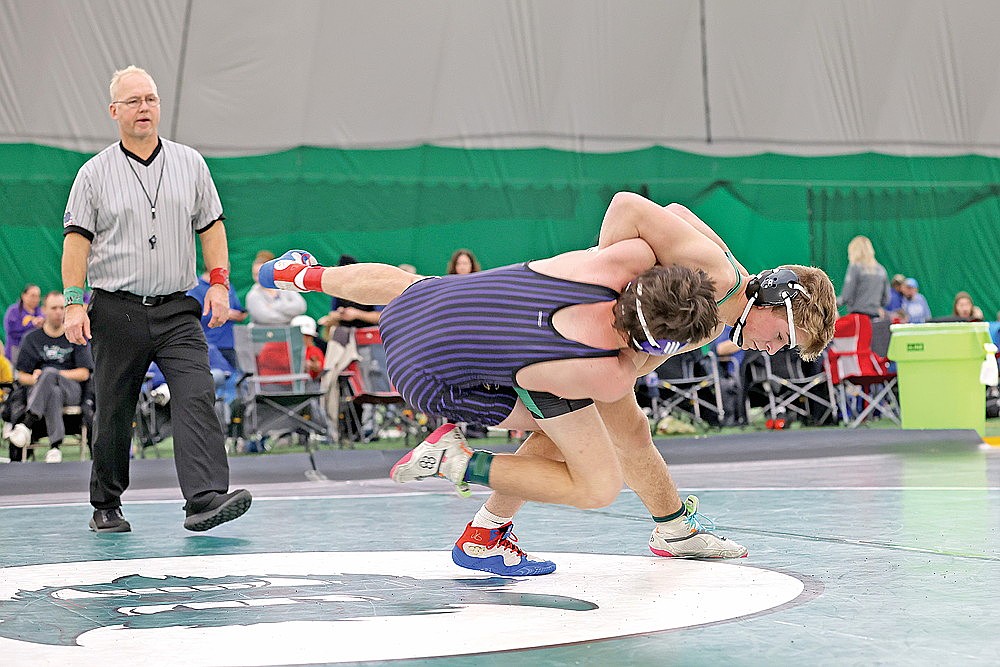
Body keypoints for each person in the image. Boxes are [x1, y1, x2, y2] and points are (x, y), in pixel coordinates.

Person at [260, 192, 838, 574]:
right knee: (604, 454)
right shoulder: (714, 275)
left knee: (421, 291)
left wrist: (610, 276)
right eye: (783, 335)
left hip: (537, 317)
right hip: (560, 336)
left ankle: (303, 273)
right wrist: (607, 276)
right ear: (772, 298)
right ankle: (665, 528)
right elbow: (631, 205)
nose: (775, 350)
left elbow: (676, 209)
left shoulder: (718, 291)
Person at [61, 65, 251, 533]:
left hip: (176, 307)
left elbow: (212, 227)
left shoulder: (191, 163)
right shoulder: (93, 174)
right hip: (114, 309)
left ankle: (204, 499)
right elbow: (76, 243)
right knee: (114, 410)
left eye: (150, 99)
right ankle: (106, 502)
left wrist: (221, 283)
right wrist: (71, 302)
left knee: (197, 394)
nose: (144, 108)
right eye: (133, 101)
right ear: (114, 111)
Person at [7, 291, 93, 463]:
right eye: (54, 308)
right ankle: (55, 447)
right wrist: (38, 380)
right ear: (44, 310)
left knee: (49, 373)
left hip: (73, 391)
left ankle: (27, 423)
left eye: (62, 308)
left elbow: (84, 373)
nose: (59, 312)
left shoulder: (76, 336)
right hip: (43, 393)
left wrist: (52, 374)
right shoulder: (31, 338)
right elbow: (21, 376)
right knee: (53, 392)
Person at [188, 268, 247, 371]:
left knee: (234, 378)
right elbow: (195, 314)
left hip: (229, 344)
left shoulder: (227, 286)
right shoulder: (196, 288)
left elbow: (238, 310)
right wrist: (224, 313)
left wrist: (238, 314)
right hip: (208, 343)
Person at [246, 250, 308, 325]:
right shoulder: (253, 295)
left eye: (260, 274)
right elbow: (265, 318)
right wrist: (291, 317)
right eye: (255, 275)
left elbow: (301, 307)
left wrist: (274, 306)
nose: (258, 278)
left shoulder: (284, 287)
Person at [837, 236, 890, 319]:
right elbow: (886, 299)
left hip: (858, 317)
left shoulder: (855, 267)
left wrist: (833, 303)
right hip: (875, 316)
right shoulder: (881, 270)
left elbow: (846, 296)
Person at [4, 284, 44, 366]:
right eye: (33, 296)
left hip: (35, 352)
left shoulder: (40, 312)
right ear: (23, 296)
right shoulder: (13, 311)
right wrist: (32, 324)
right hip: (16, 351)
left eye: (38, 296)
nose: (36, 299)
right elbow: (12, 331)